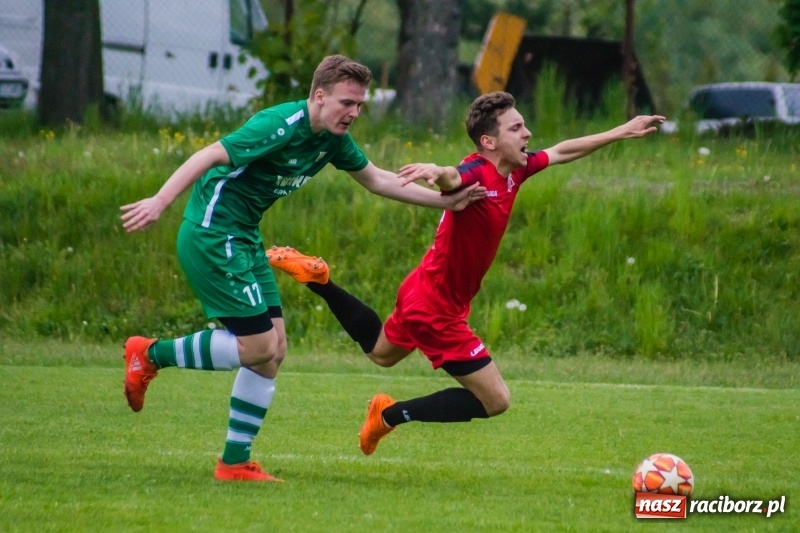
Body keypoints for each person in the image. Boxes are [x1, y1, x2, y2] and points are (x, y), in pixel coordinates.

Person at [119, 55, 484, 482]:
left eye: (360, 105)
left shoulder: (332, 140)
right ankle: (150, 354)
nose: (354, 112)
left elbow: (378, 180)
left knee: (273, 352)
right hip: (213, 234)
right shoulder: (280, 124)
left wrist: (446, 202)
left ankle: (234, 462)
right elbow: (210, 154)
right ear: (320, 96)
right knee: (258, 346)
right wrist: (160, 201)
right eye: (347, 102)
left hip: (244, 236)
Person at [269, 91, 665, 456]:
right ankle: (389, 416)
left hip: (426, 289)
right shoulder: (477, 172)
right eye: (516, 128)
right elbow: (453, 176)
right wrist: (436, 171)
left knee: (380, 353)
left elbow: (562, 151)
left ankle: (321, 280)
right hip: (435, 307)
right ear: (489, 141)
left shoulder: (516, 170)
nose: (527, 133)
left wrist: (622, 131)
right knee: (496, 400)